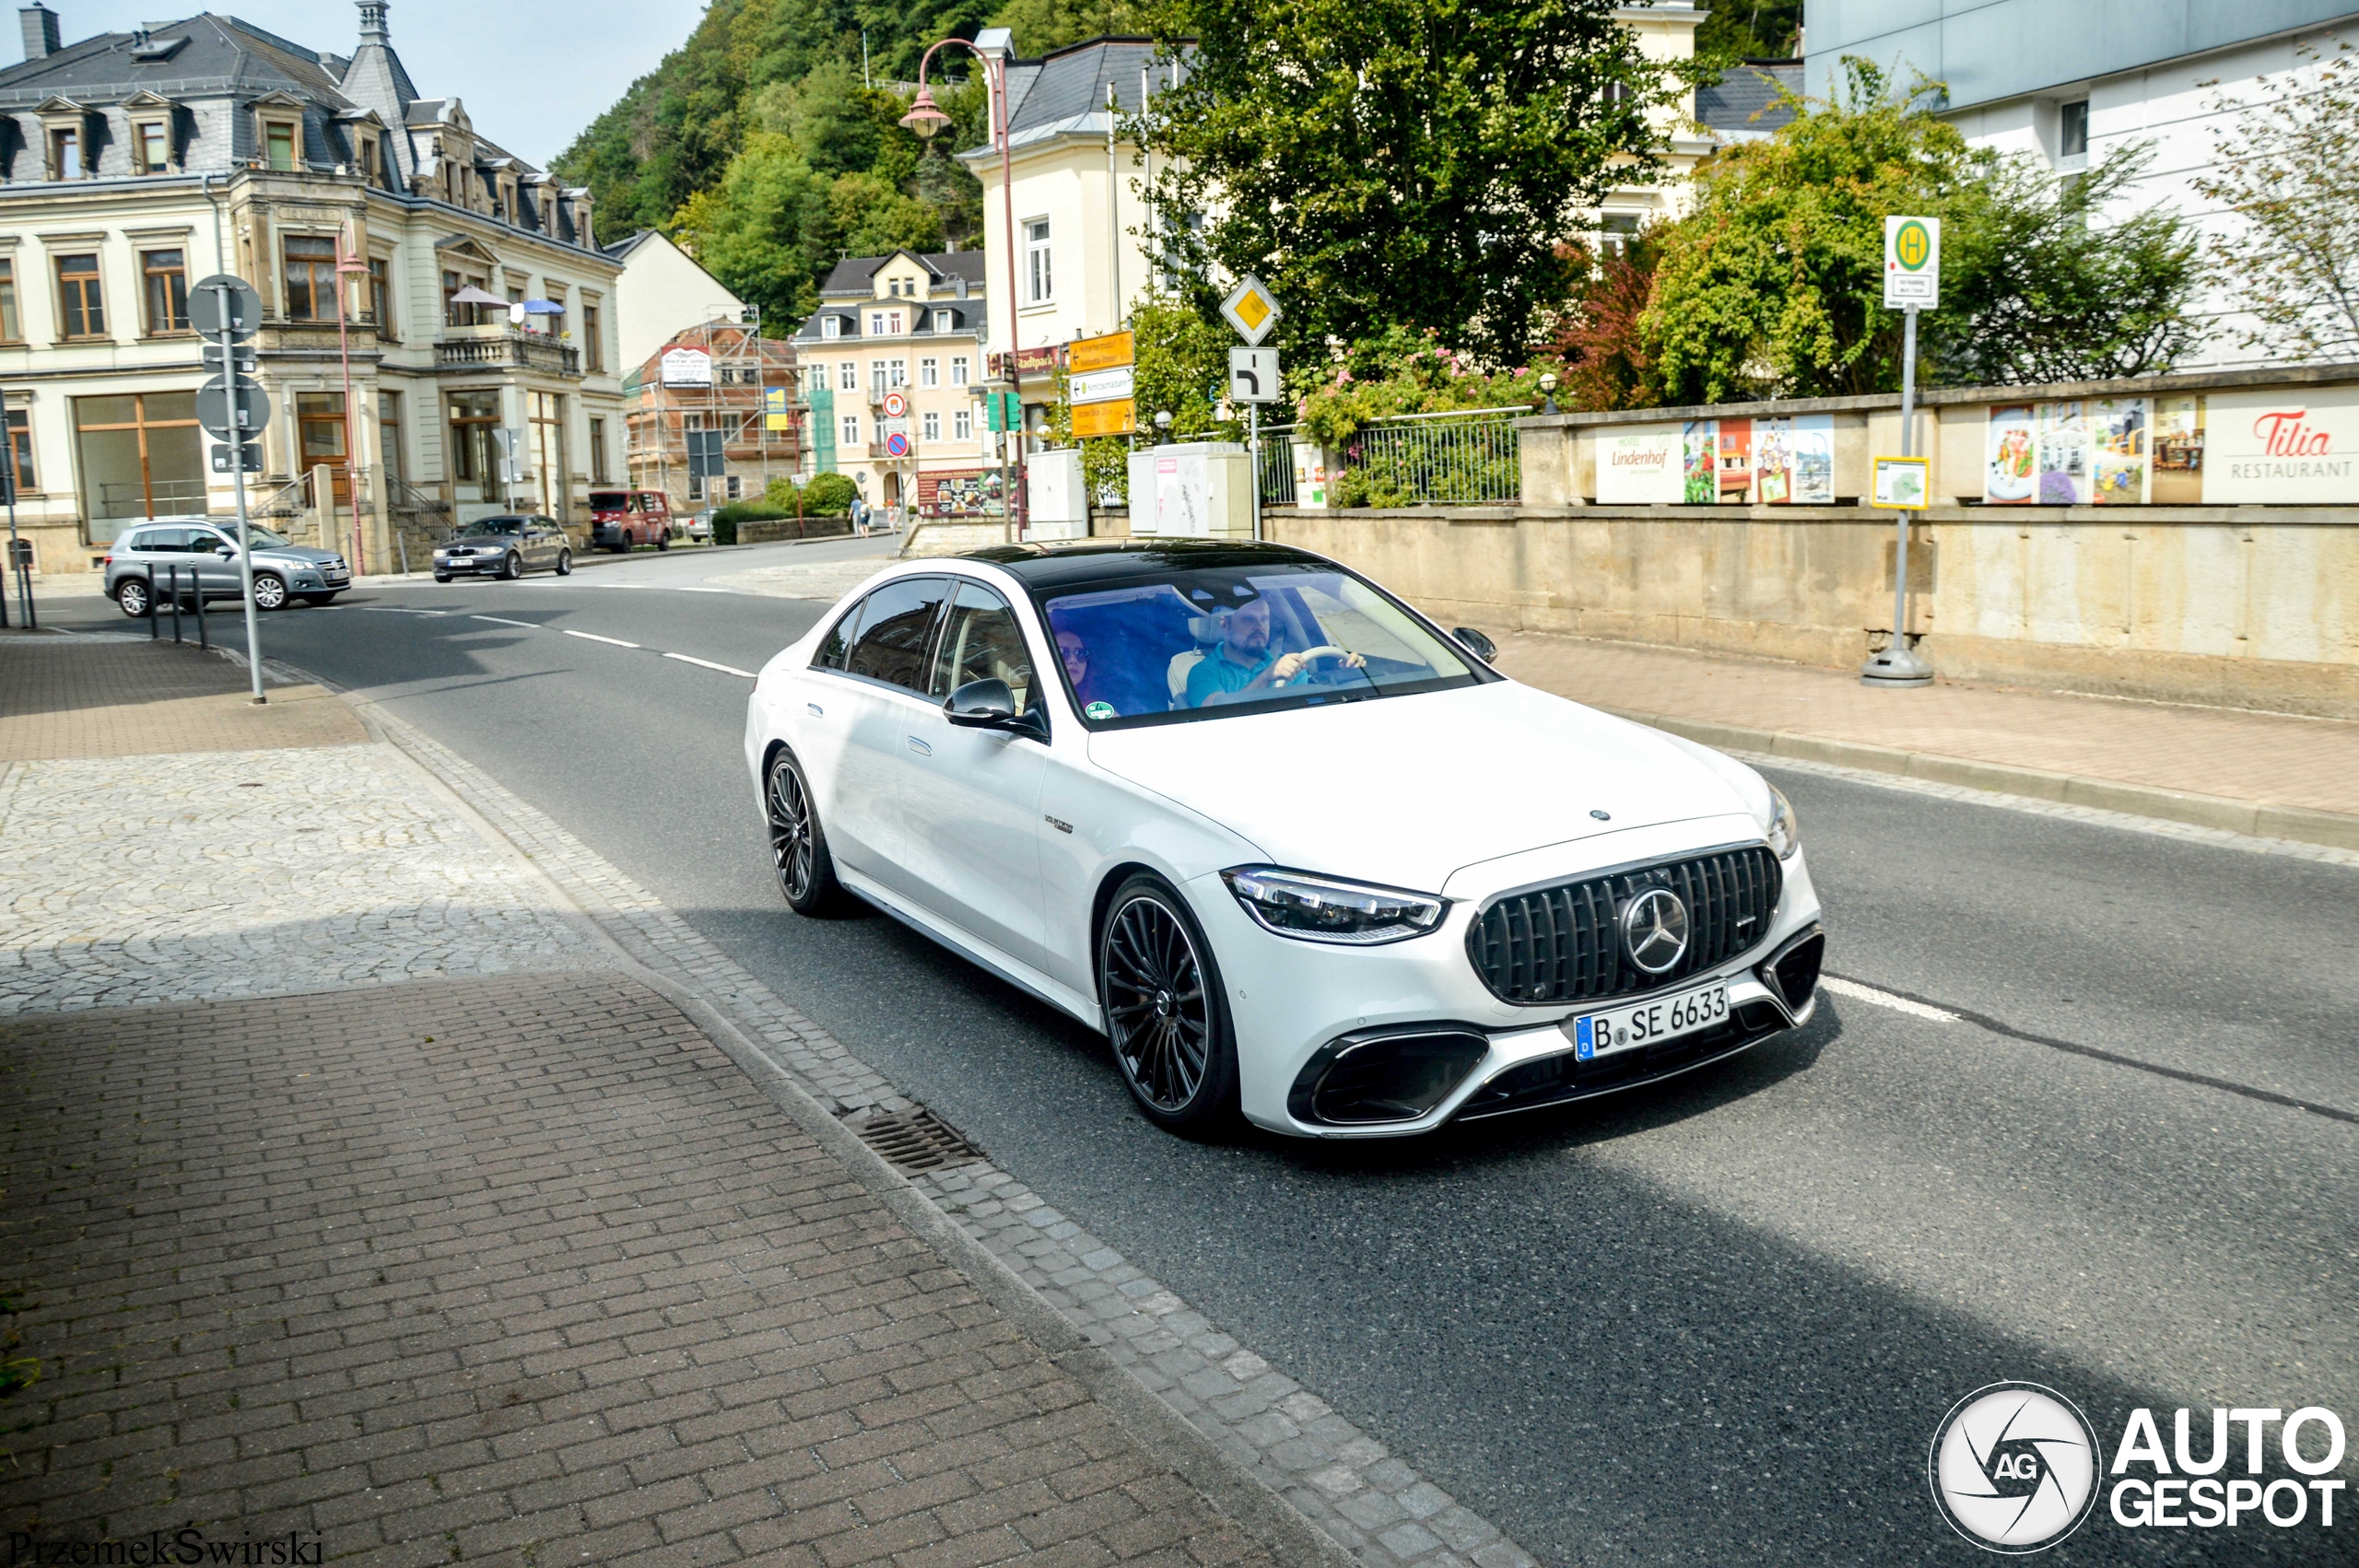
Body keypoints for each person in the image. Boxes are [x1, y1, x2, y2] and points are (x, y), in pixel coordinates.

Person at [1184, 595, 1363, 708]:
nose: (1259, 626)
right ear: (1225, 624)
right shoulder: (1203, 672)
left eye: (1264, 619)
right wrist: (1267, 676)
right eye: (1248, 619)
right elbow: (1216, 714)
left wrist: (1346, 677)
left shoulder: (1289, 664)